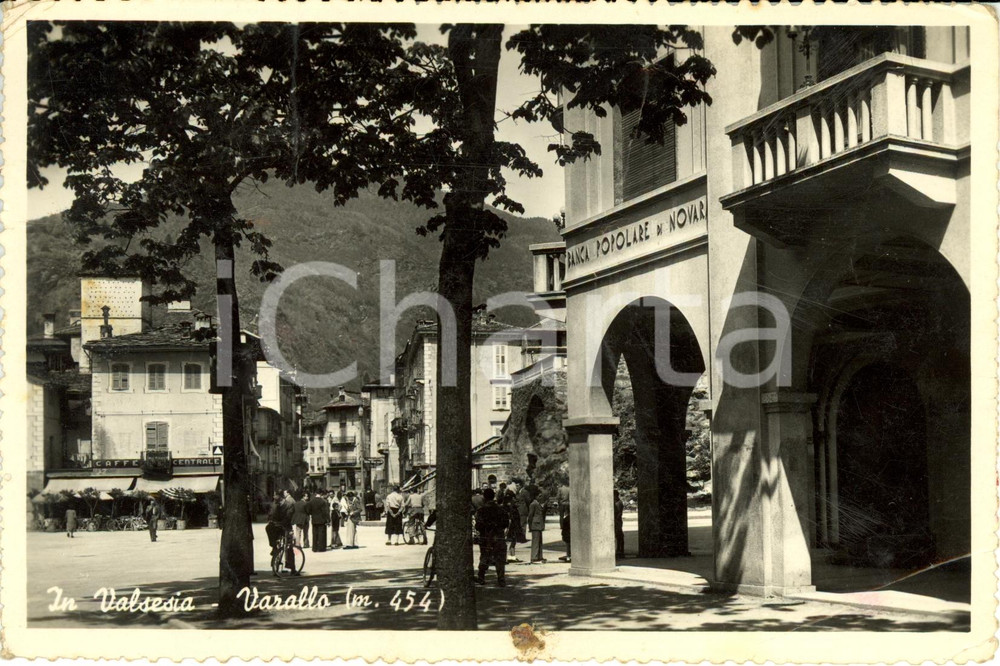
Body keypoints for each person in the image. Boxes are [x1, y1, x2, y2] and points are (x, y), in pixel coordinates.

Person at [475, 488, 507, 587]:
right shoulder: (500, 509)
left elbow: (478, 525)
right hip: (498, 536)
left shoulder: (481, 510)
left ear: (484, 497)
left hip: (485, 536)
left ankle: (481, 577)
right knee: (500, 558)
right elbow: (506, 523)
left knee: (484, 556)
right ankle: (501, 579)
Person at [278, 490, 300, 576]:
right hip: (286, 528)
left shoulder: (277, 504)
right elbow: (289, 517)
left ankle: (276, 566)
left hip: (278, 527)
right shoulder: (289, 504)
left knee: (280, 546)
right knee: (290, 548)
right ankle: (292, 568)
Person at [527, 489, 546, 563]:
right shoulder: (533, 504)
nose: (540, 497)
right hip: (535, 524)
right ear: (536, 496)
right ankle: (534, 557)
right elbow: (530, 516)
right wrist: (530, 526)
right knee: (535, 541)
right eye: (539, 496)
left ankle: (539, 556)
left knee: (539, 541)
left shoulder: (537, 503)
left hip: (538, 524)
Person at [265, 492, 284, 557]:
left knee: (270, 528)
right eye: (274, 495)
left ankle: (274, 546)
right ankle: (274, 546)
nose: (274, 496)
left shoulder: (282, 504)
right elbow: (271, 513)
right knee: (268, 528)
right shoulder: (274, 504)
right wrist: (270, 519)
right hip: (276, 524)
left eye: (276, 495)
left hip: (282, 525)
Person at [504, 489, 521, 563]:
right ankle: (510, 556)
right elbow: (514, 516)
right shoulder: (512, 506)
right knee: (511, 540)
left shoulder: (505, 504)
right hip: (512, 524)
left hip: (509, 524)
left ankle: (511, 556)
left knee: (510, 540)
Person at [515, 480, 532, 544]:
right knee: (519, 524)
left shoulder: (525, 492)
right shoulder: (517, 492)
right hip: (518, 510)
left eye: (518, 485)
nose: (516, 487)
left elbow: (528, 501)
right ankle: (519, 537)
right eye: (516, 486)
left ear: (521, 486)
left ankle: (523, 538)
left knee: (523, 524)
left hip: (523, 510)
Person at [613, 488, 625, 558]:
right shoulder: (616, 502)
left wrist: (615, 520)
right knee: (618, 535)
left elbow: (619, 513)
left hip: (617, 521)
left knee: (619, 535)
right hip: (616, 520)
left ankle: (620, 549)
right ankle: (619, 549)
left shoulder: (618, 503)